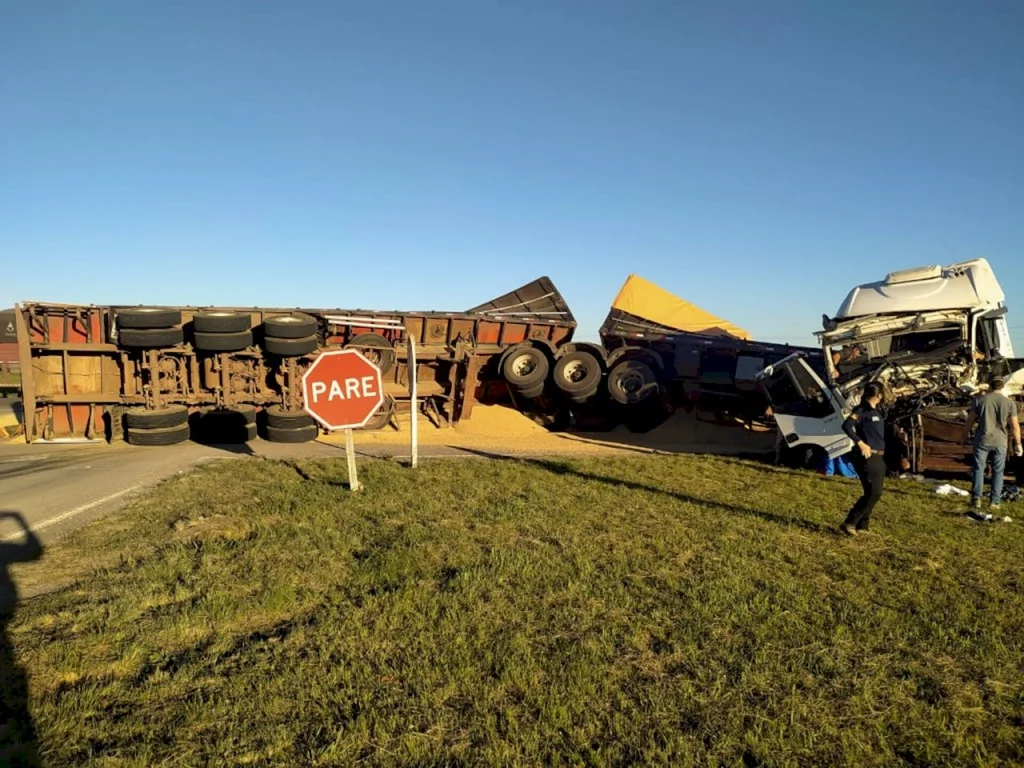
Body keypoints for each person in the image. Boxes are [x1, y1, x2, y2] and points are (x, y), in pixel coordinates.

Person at [963, 376, 1022, 512]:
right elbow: (1014, 426)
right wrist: (1018, 443)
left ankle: (976, 499)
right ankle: (995, 501)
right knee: (998, 471)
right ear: (1001, 386)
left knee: (978, 469)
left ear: (989, 386)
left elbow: (970, 421)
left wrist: (964, 435)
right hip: (1000, 441)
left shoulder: (978, 400)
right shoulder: (1009, 403)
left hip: (982, 439)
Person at [838, 382, 887, 536]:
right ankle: (850, 522)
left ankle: (862, 525)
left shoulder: (877, 410)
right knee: (875, 493)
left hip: (878, 455)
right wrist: (860, 443)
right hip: (868, 455)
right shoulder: (861, 410)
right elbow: (846, 426)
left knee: (870, 491)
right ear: (879, 395)